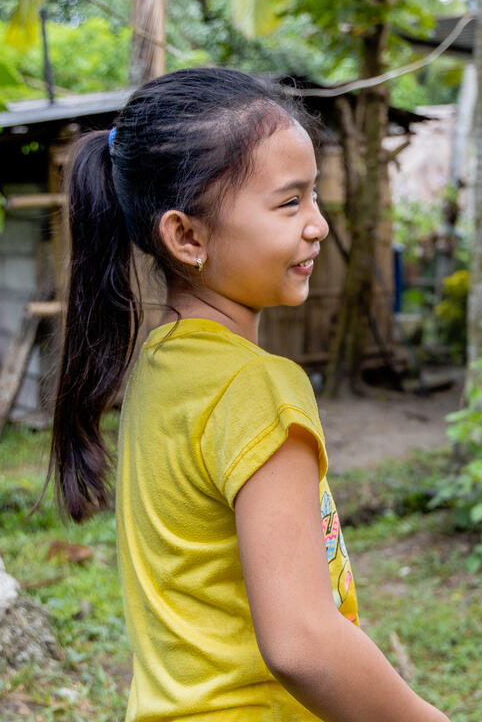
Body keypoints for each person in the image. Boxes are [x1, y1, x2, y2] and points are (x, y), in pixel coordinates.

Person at [47, 67, 449, 722]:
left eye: (313, 197)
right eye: (288, 204)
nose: (317, 225)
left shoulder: (161, 367)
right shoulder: (255, 386)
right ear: (188, 236)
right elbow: (303, 644)